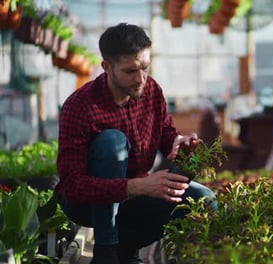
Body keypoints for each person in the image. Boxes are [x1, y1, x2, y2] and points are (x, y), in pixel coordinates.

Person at [55, 23, 217, 264]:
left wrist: (178, 143)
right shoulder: (80, 106)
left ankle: (126, 249)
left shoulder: (151, 91)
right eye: (130, 71)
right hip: (87, 204)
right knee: (113, 142)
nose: (141, 78)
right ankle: (106, 250)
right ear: (106, 67)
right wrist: (137, 187)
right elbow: (72, 186)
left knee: (205, 200)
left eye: (145, 67)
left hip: (134, 200)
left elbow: (166, 133)